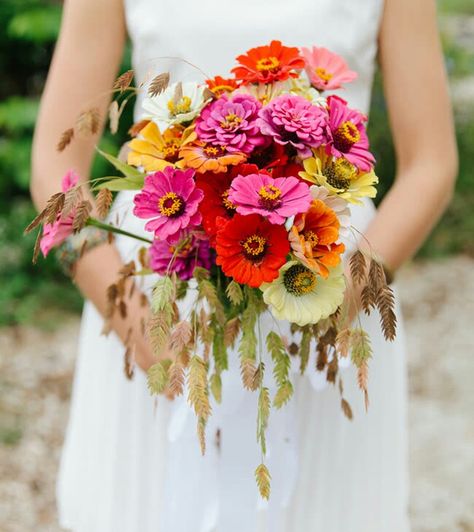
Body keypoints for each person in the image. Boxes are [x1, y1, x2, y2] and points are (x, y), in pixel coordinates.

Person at [30, 0, 457, 531]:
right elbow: (53, 170)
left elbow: (432, 163)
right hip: (156, 294)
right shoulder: (140, 322)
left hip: (326, 291)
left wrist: (336, 300)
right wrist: (136, 323)